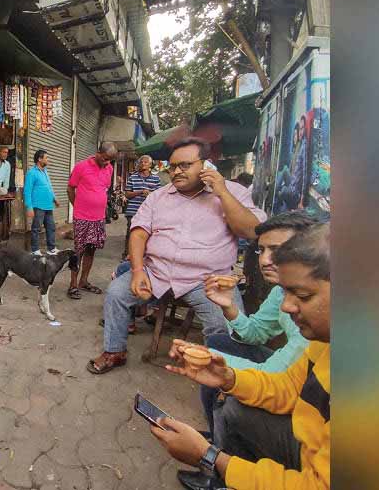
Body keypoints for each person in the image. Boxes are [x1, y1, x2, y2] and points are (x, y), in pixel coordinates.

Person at [151, 222, 330, 490]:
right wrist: (229, 377)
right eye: (262, 251)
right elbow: (291, 385)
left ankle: (218, 467)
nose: (286, 305)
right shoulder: (327, 339)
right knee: (229, 387)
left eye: (302, 295)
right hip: (311, 441)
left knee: (228, 397)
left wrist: (210, 458)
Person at [86, 137, 266, 374]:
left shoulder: (232, 193)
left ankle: (223, 375)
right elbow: (138, 233)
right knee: (117, 293)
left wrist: (221, 192)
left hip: (206, 280)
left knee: (227, 326)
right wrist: (138, 271)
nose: (176, 172)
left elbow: (252, 230)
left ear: (206, 165)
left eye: (185, 165)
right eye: (172, 167)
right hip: (157, 272)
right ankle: (115, 350)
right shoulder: (158, 196)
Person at [198, 211, 317, 435]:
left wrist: (211, 363)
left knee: (227, 392)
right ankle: (217, 438)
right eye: (261, 250)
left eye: (278, 250)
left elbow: (276, 376)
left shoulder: (318, 314)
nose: (264, 260)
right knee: (218, 344)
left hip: (304, 395)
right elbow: (257, 332)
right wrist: (228, 306)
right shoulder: (282, 290)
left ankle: (218, 456)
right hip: (285, 373)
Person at [66, 141, 118, 300]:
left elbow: (104, 189)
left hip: (99, 218)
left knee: (91, 250)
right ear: (98, 153)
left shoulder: (109, 169)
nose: (108, 162)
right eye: (105, 158)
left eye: (110, 160)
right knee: (78, 251)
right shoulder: (81, 167)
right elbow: (70, 188)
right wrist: (78, 207)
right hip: (82, 217)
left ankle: (83, 281)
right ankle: (73, 285)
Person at [122, 154, 162, 259]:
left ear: (150, 165)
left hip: (149, 212)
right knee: (131, 233)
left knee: (146, 234)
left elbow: (159, 195)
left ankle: (143, 255)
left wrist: (150, 194)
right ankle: (127, 255)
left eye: (146, 162)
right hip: (133, 211)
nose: (143, 164)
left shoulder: (156, 179)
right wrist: (140, 192)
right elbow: (127, 194)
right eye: (141, 162)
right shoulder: (133, 177)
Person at [24, 149, 60, 256]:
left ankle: (51, 248)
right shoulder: (32, 173)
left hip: (48, 205)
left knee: (51, 227)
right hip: (38, 206)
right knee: (36, 228)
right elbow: (27, 191)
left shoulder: (45, 171)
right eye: (46, 158)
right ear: (39, 159)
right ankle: (35, 250)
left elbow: (48, 187)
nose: (48, 160)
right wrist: (29, 207)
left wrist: (54, 198)